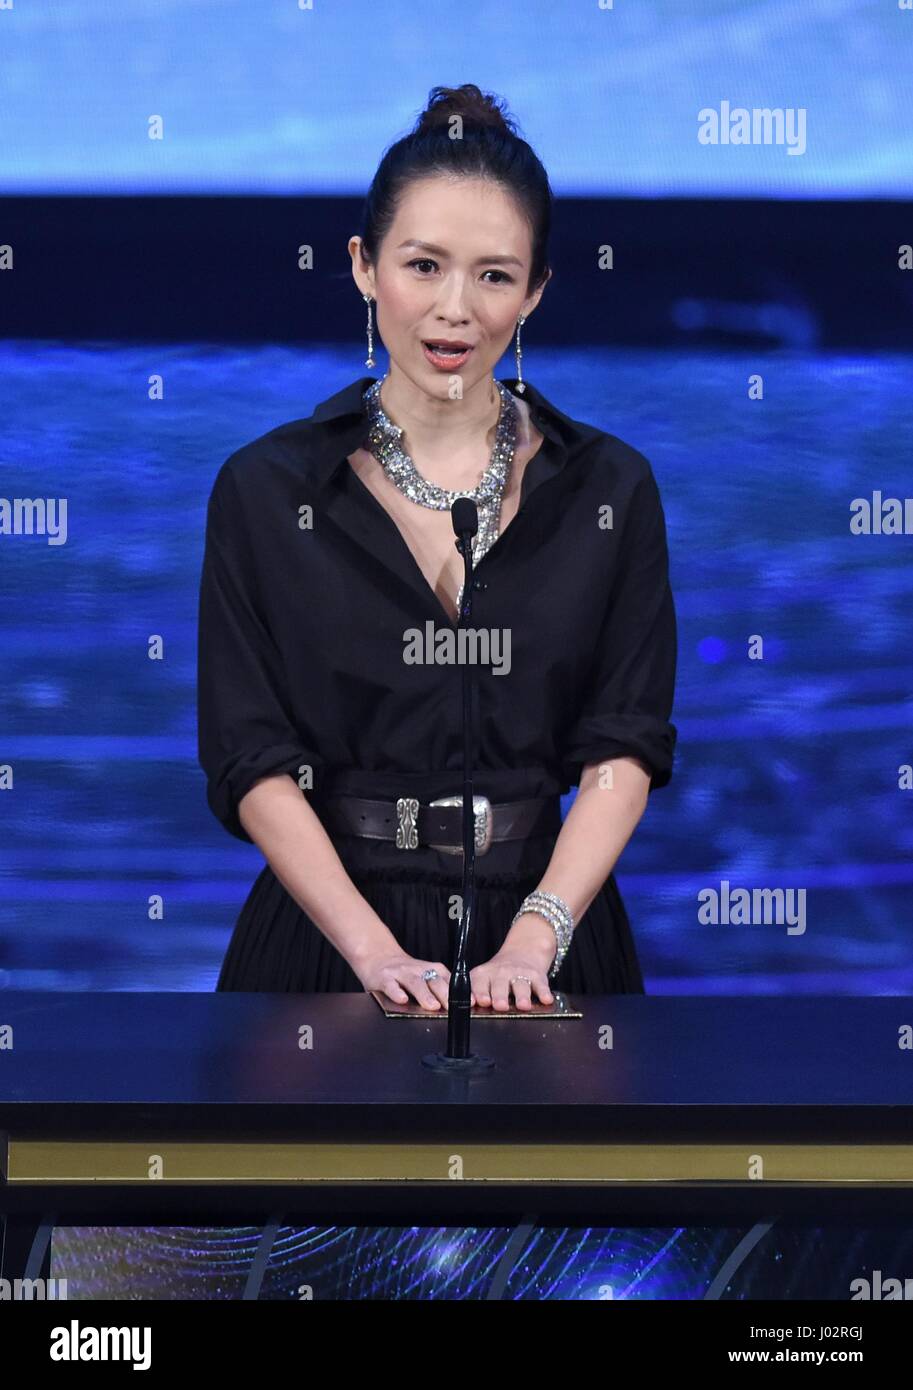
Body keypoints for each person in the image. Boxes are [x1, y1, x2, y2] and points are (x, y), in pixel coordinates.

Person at [198, 83, 677, 1012]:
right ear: (363, 266)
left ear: (535, 291)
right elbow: (250, 759)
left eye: (494, 276)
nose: (455, 309)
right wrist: (376, 959)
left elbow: (624, 747)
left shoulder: (608, 488)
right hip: (325, 949)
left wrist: (534, 944)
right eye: (423, 266)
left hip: (547, 945)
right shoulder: (266, 489)